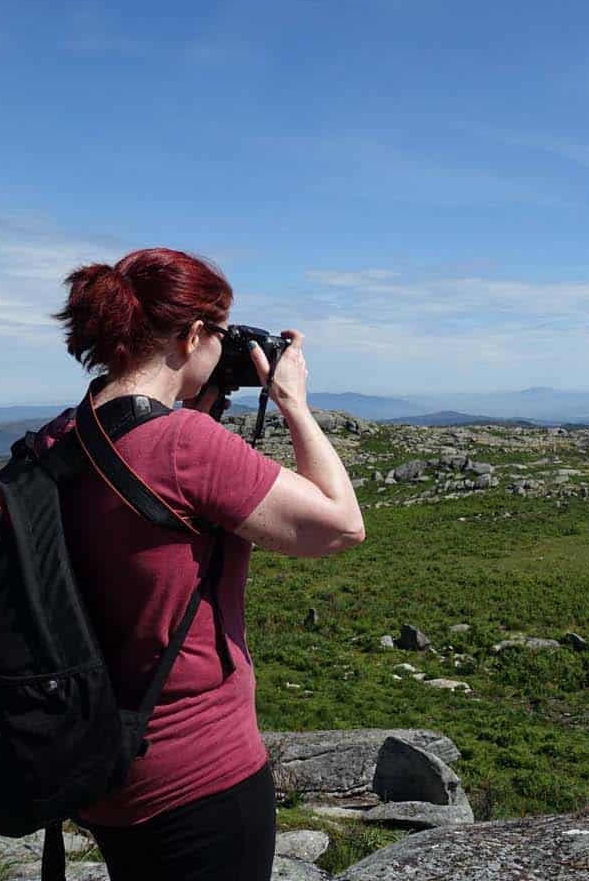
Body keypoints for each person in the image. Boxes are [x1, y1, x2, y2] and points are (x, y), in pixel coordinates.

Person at [33, 247, 365, 881]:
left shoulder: (61, 436)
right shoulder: (186, 445)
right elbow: (341, 525)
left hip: (99, 768)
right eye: (220, 333)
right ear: (191, 336)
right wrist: (292, 401)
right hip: (198, 776)